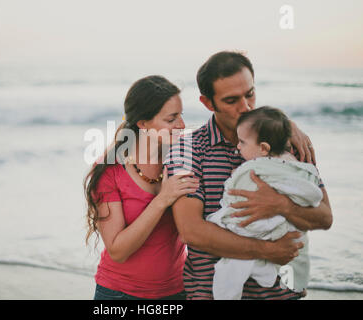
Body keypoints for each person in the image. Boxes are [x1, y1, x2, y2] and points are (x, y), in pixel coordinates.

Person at [164, 51, 333, 300]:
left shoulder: (288, 143)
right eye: (231, 100)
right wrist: (267, 250)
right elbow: (192, 232)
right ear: (208, 103)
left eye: (250, 94)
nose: (245, 107)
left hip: (280, 295)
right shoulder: (188, 150)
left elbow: (325, 217)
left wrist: (281, 205)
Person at [84, 75, 199, 300]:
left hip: (178, 292)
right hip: (119, 294)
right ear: (143, 124)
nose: (181, 125)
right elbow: (118, 250)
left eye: (181, 115)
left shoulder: (182, 161)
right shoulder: (110, 170)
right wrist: (162, 199)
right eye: (171, 118)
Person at [206, 106, 323, 300]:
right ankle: (295, 282)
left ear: (263, 148)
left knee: (228, 266)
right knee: (299, 243)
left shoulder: (252, 169)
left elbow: (232, 195)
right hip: (289, 231)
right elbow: (311, 194)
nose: (238, 147)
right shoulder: (299, 165)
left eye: (242, 143)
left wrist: (233, 181)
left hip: (259, 228)